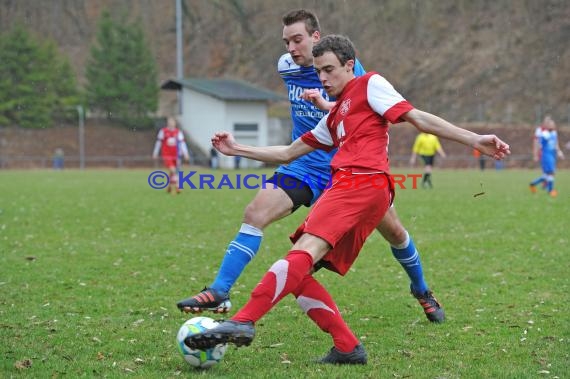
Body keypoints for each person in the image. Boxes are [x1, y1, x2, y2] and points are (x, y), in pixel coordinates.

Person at [183, 35, 511, 364]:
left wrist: (475, 139)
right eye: (318, 72)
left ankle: (243, 320)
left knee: (303, 254)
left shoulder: (370, 84)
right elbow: (288, 152)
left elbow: (418, 118)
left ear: (349, 65)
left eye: (329, 70)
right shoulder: (335, 115)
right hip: (357, 189)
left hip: (360, 182)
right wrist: (237, 149)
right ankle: (347, 346)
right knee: (300, 273)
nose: (322, 78)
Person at [177, 9, 445, 324]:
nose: (291, 48)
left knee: (396, 234)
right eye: (286, 41)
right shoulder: (286, 66)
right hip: (302, 165)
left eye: (298, 40)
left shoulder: (351, 69)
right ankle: (220, 291)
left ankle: (421, 289)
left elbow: (357, 107)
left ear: (315, 37)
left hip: (347, 171)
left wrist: (325, 104)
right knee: (255, 214)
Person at [152, 117, 190, 194]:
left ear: (175, 123)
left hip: (176, 155)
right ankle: (177, 186)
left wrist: (186, 153)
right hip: (167, 154)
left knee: (175, 170)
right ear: (167, 123)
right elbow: (158, 143)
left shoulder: (178, 132)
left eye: (172, 122)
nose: (171, 123)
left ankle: (169, 186)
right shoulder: (163, 131)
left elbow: (182, 143)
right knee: (173, 169)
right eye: (170, 122)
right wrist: (155, 153)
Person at [529, 116, 564, 197]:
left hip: (552, 155)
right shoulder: (544, 134)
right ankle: (550, 191)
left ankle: (533, 183)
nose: (553, 125)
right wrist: (536, 154)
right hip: (546, 155)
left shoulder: (554, 133)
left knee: (547, 174)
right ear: (547, 126)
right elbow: (538, 144)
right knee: (551, 173)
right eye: (551, 124)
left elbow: (556, 144)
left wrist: (559, 152)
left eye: (553, 124)